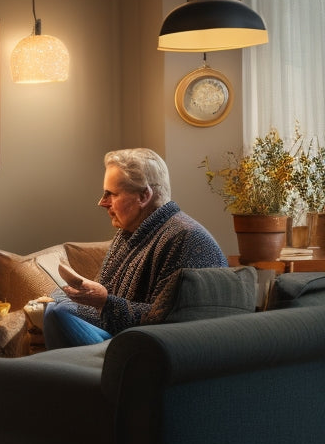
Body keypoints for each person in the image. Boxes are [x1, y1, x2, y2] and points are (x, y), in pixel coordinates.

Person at [43, 148, 226, 349]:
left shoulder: (187, 239)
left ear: (144, 196)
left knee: (58, 314)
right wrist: (63, 297)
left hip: (155, 349)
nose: (102, 202)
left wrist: (104, 302)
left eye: (111, 194)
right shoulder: (129, 234)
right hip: (123, 337)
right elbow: (104, 296)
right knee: (54, 306)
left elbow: (168, 322)